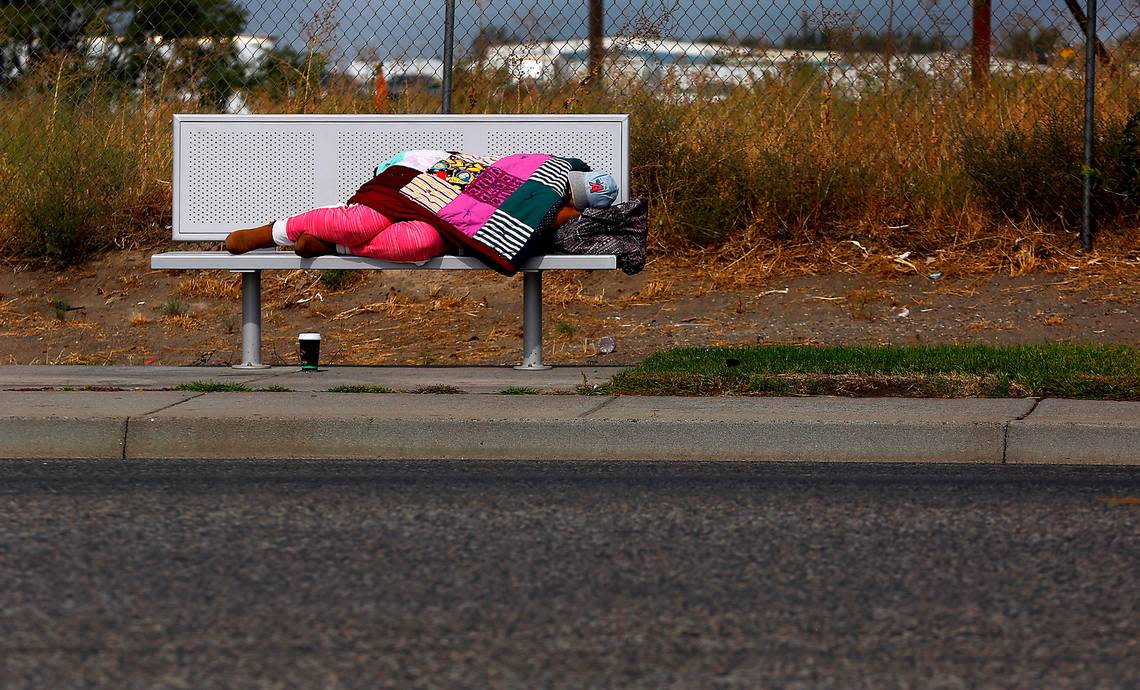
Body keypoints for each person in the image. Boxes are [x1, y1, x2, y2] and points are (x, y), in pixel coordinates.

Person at [224, 150, 619, 263]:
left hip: (447, 221)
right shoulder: (549, 169)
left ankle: (329, 247)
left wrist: (572, 209)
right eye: (571, 187)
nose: (566, 193)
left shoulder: (557, 209)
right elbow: (510, 173)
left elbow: (555, 215)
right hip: (426, 176)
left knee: (420, 242)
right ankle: (269, 232)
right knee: (361, 220)